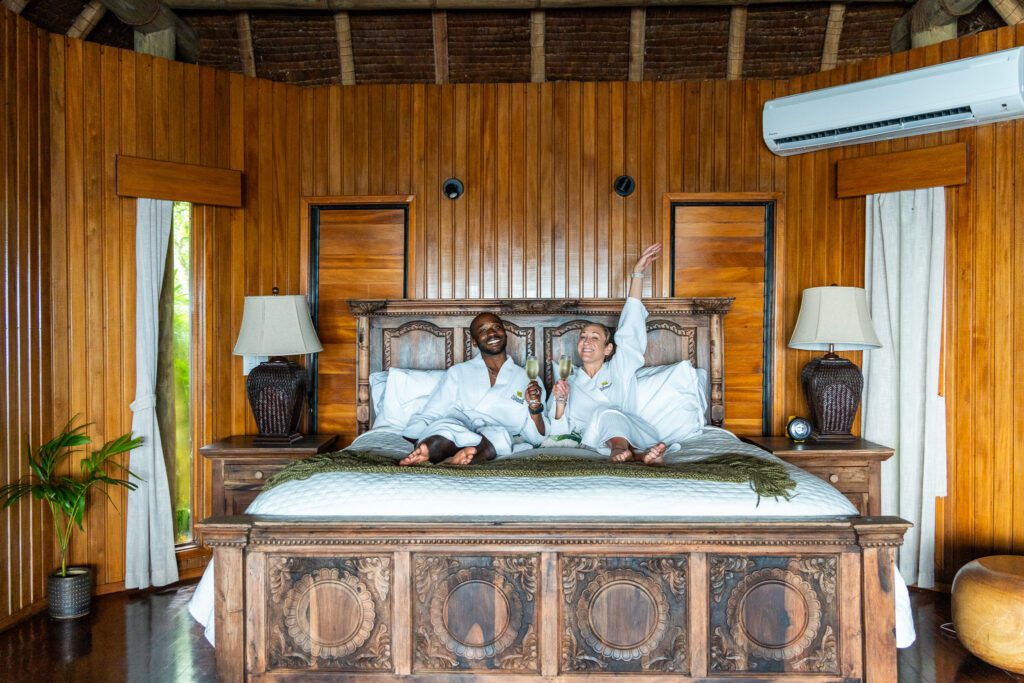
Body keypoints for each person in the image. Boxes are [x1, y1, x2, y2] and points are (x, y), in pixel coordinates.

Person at [546, 243, 668, 465]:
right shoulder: (568, 380)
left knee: (609, 413)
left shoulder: (619, 368)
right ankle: (641, 456)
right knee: (604, 414)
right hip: (593, 440)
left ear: (608, 348)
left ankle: (624, 450)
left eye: (595, 337)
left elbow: (631, 328)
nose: (586, 341)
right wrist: (561, 400)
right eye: (583, 336)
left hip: (632, 429)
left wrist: (637, 274)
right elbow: (557, 432)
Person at [400, 312, 546, 466]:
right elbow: (433, 410)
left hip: (495, 435)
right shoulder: (458, 372)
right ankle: (429, 450)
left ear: (505, 333)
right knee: (447, 428)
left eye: (496, 327)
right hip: (459, 427)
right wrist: (417, 436)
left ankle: (465, 457)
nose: (492, 333)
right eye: (483, 330)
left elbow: (536, 437)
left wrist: (535, 407)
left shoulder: (528, 379)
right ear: (475, 342)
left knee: (499, 437)